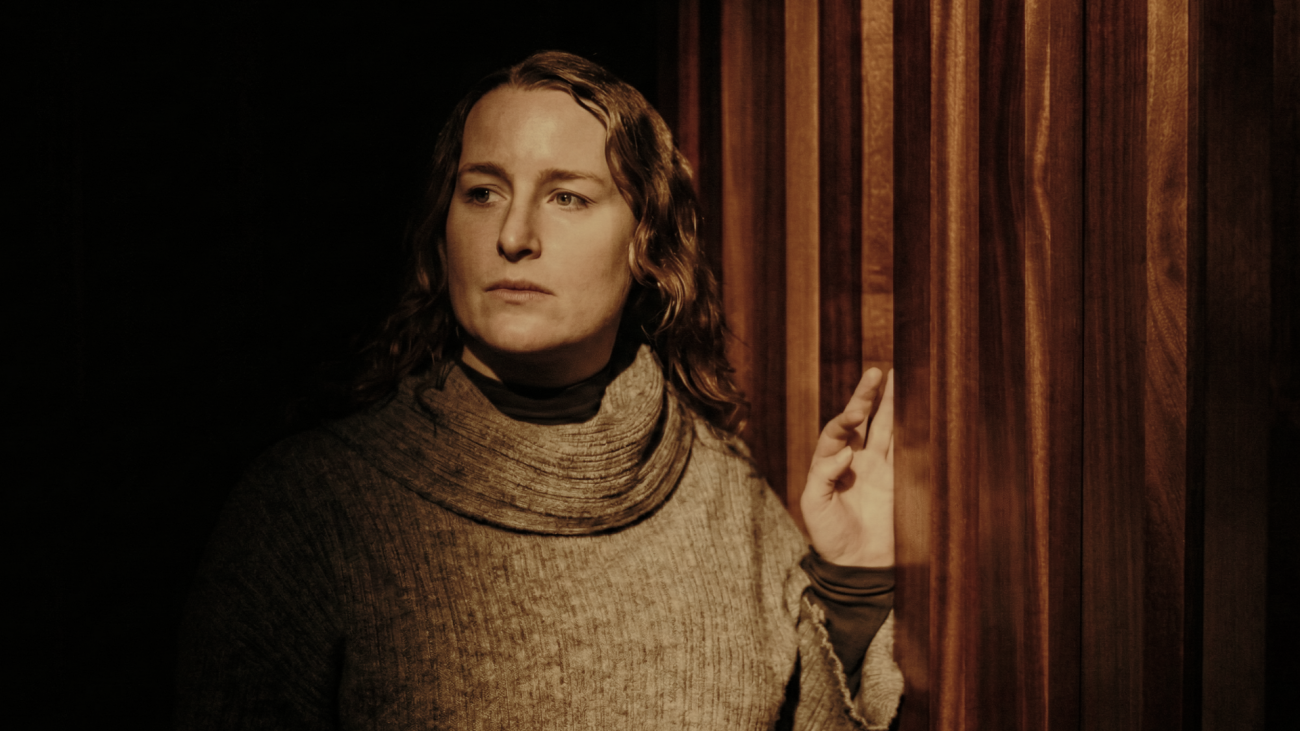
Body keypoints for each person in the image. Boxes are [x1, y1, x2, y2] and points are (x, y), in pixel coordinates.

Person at [176, 50, 902, 729]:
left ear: (646, 243)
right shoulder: (310, 506)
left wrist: (853, 582)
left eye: (567, 197)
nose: (514, 235)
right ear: (441, 229)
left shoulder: (721, 490)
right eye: (482, 192)